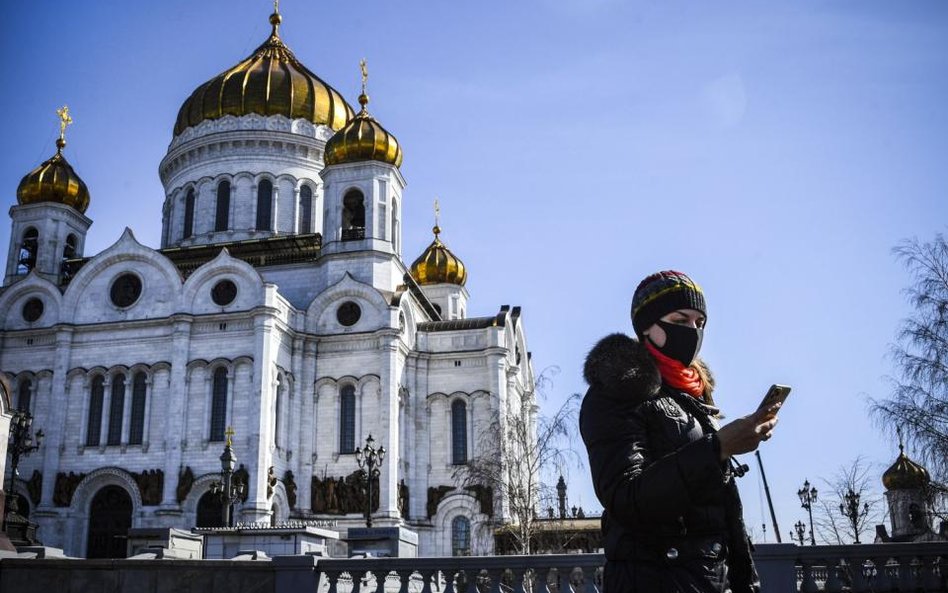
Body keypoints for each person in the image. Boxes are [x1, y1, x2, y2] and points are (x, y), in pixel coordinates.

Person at [580, 270, 778, 593]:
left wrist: (746, 581)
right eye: (681, 319)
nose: (693, 331)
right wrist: (718, 447)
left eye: (700, 323)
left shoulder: (693, 396)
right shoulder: (615, 390)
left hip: (711, 580)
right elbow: (626, 496)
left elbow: (723, 512)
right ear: (647, 326)